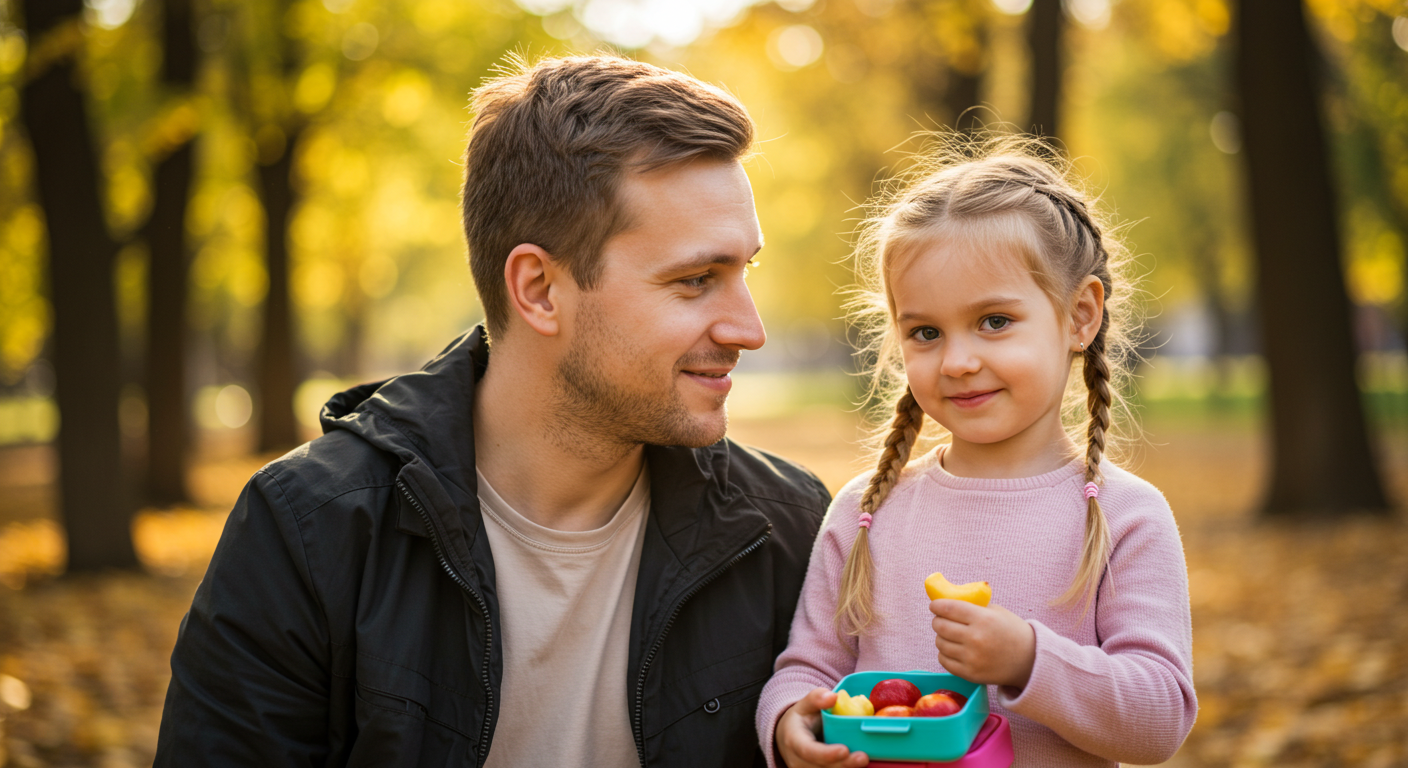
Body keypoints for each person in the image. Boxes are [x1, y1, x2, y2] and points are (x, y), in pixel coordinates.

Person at [154, 55, 831, 767]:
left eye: (743, 271)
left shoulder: (786, 532)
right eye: (696, 280)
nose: (748, 329)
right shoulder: (310, 532)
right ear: (538, 288)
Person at [756, 136, 1197, 768]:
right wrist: (788, 724)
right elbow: (807, 670)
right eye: (926, 332)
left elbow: (1158, 720)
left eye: (994, 320)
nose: (959, 361)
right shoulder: (866, 511)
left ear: (1079, 316)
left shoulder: (1126, 517)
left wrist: (1028, 659)